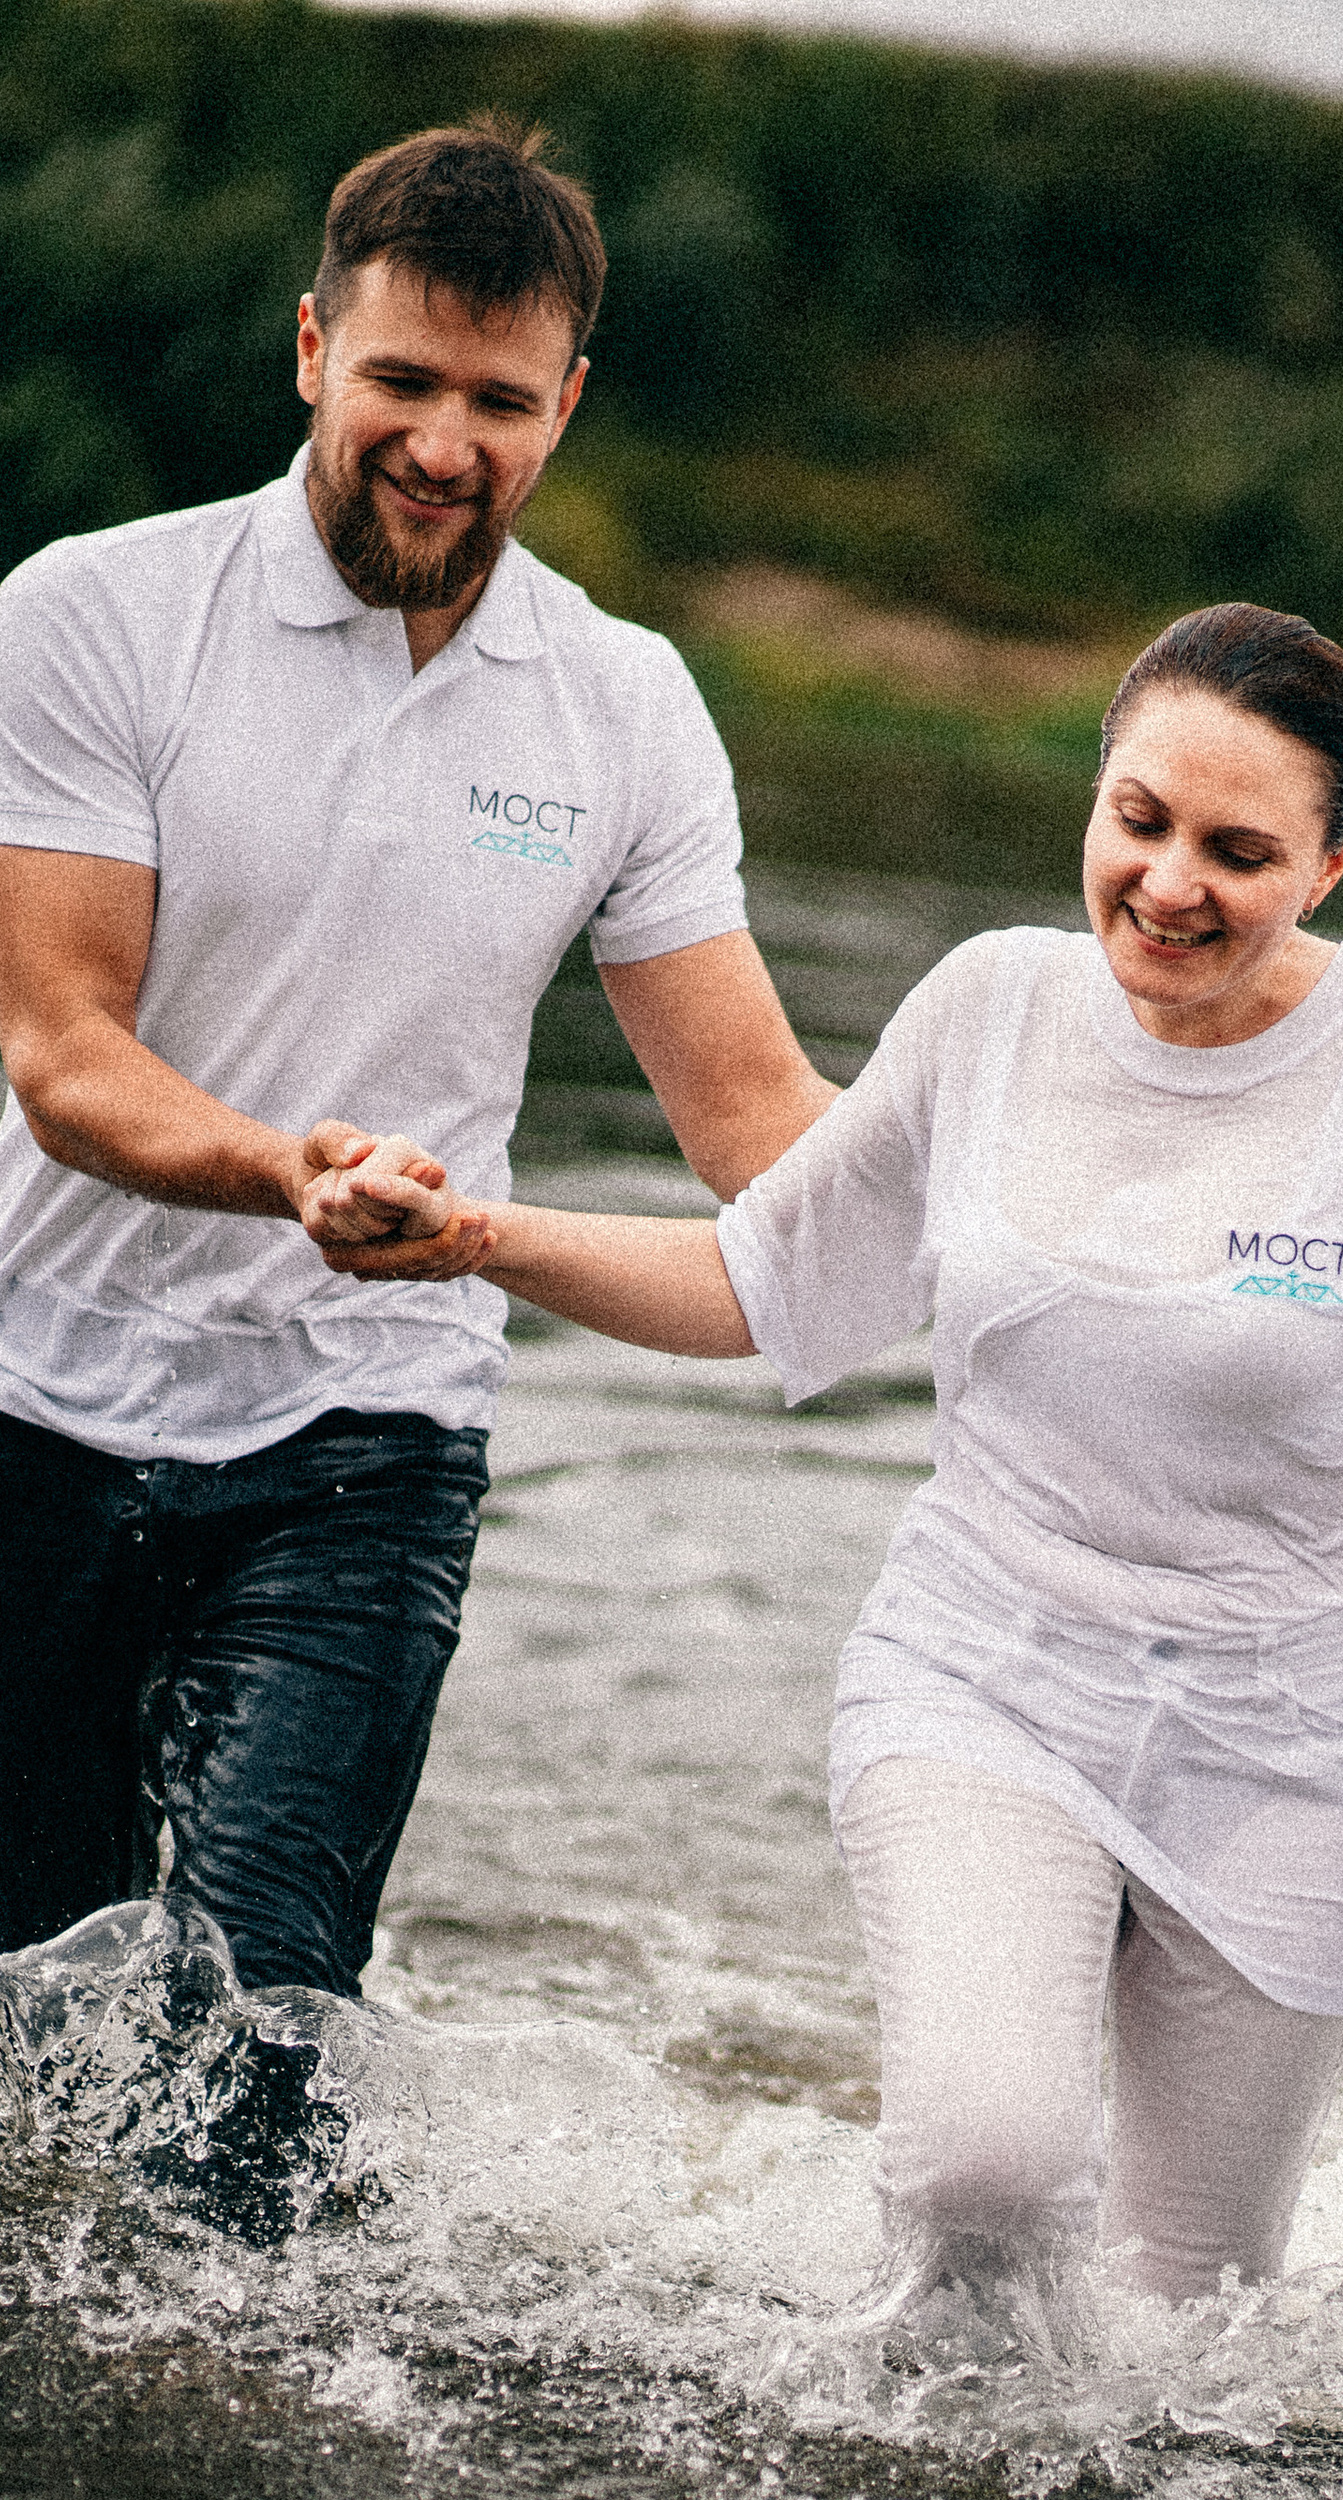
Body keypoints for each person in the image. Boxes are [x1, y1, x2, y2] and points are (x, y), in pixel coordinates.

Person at [329, 602, 1343, 2319]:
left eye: (1239, 850)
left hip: (1294, 1747)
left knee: (1194, 2325)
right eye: (1140, 821)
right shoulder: (988, 1009)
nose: (1172, 884)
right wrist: (478, 1238)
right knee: (986, 2171)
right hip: (987, 1671)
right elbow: (761, 1283)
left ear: (1335, 862)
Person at [0, 120, 833, 2000]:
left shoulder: (622, 704)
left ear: (570, 404)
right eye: (401, 380)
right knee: (34, 2007)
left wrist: (1050, 1190)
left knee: (263, 2030)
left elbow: (760, 1123)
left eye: (501, 399)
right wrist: (294, 1172)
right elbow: (65, 1055)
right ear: (312, 351)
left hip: (367, 1431)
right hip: (32, 1401)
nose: (446, 443)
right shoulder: (93, 617)